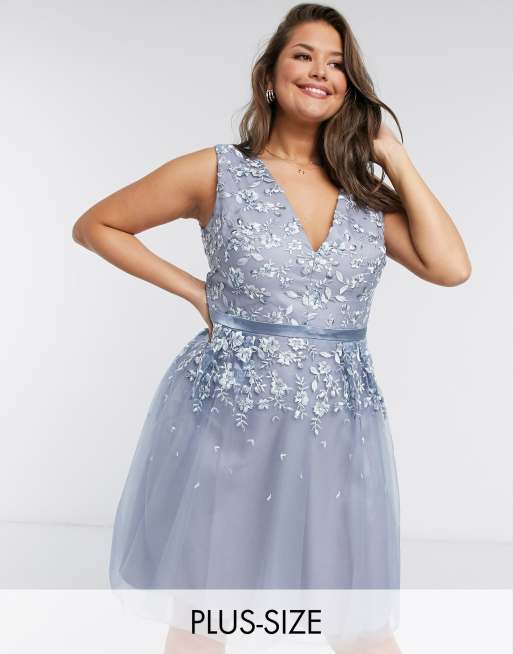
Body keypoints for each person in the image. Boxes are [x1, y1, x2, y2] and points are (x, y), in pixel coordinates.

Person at [71, 4, 471, 653]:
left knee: (356, 619)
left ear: (350, 85)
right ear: (269, 75)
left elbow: (451, 268)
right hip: (231, 412)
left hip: (336, 423)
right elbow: (96, 225)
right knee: (207, 608)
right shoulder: (216, 171)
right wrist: (196, 292)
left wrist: (393, 156)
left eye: (336, 63)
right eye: (303, 55)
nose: (320, 71)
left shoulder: (365, 195)